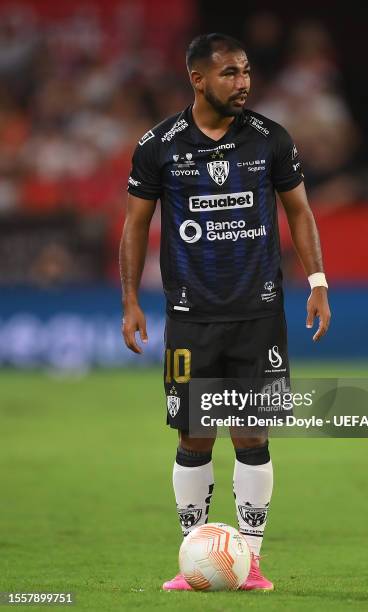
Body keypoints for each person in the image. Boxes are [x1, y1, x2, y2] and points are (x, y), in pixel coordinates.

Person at [120, 33, 331, 591]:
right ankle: (192, 558)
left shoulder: (270, 139)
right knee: (193, 436)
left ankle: (251, 562)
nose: (243, 83)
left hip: (259, 315)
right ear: (198, 79)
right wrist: (129, 299)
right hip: (190, 317)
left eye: (246, 73)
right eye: (231, 74)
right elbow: (136, 225)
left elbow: (300, 212)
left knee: (251, 435)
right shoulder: (159, 145)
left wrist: (317, 281)